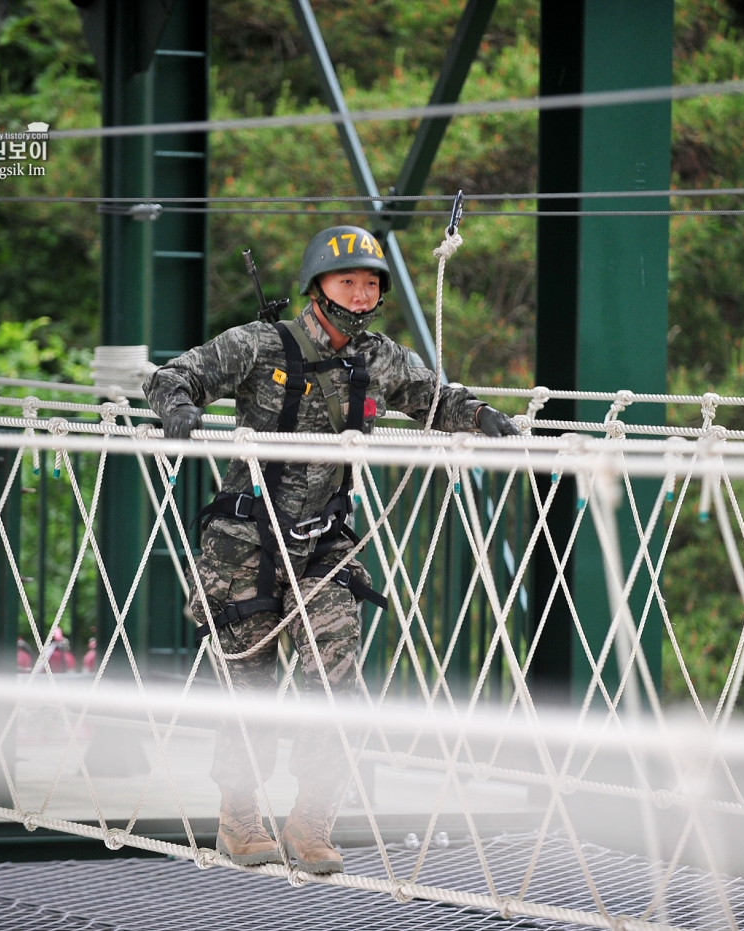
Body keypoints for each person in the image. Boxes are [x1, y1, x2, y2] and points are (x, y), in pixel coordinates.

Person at [144, 226, 518, 874]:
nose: (361, 293)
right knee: (248, 690)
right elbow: (175, 376)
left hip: (324, 545)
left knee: (335, 684)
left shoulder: (376, 358)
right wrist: (177, 407)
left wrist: (483, 418)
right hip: (243, 546)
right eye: (349, 281)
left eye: (371, 283)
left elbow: (433, 400)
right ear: (318, 286)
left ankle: (312, 820)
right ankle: (238, 816)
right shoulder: (260, 345)